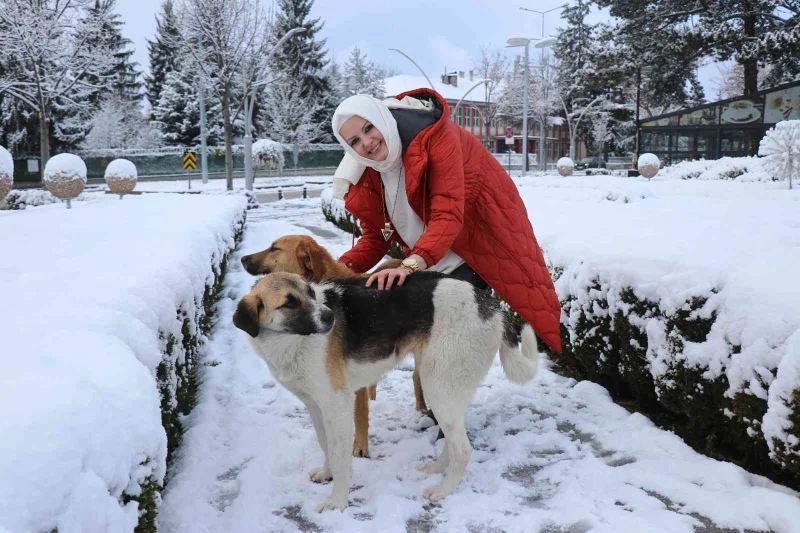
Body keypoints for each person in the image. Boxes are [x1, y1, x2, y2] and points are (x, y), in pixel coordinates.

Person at [330, 88, 562, 354]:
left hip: (472, 252)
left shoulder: (436, 139)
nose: (367, 142)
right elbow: (375, 239)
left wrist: (408, 265)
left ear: (382, 118)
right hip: (427, 263)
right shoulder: (368, 173)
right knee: (410, 341)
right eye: (355, 141)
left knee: (441, 350)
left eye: (369, 128)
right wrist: (333, 269)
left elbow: (447, 214)